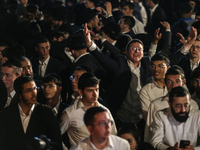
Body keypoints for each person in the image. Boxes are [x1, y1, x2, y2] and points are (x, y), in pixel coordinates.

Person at [0, 76, 63, 150]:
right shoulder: (6, 114)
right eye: (28, 90)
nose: (34, 93)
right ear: (19, 95)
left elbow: (56, 143)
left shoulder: (46, 113)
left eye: (35, 88)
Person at [60, 73, 117, 147]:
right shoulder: (70, 113)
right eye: (90, 91)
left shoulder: (105, 111)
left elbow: (114, 136)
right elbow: (55, 136)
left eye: (97, 89)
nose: (95, 94)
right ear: (80, 92)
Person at [144, 65, 199, 143]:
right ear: (165, 83)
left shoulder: (193, 104)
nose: (174, 86)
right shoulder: (156, 105)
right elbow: (148, 133)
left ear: (183, 82)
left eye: (177, 81)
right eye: (170, 82)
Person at [139, 53, 170, 121]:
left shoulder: (175, 85)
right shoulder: (145, 91)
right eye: (153, 66)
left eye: (160, 66)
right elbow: (148, 118)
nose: (156, 69)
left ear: (168, 68)